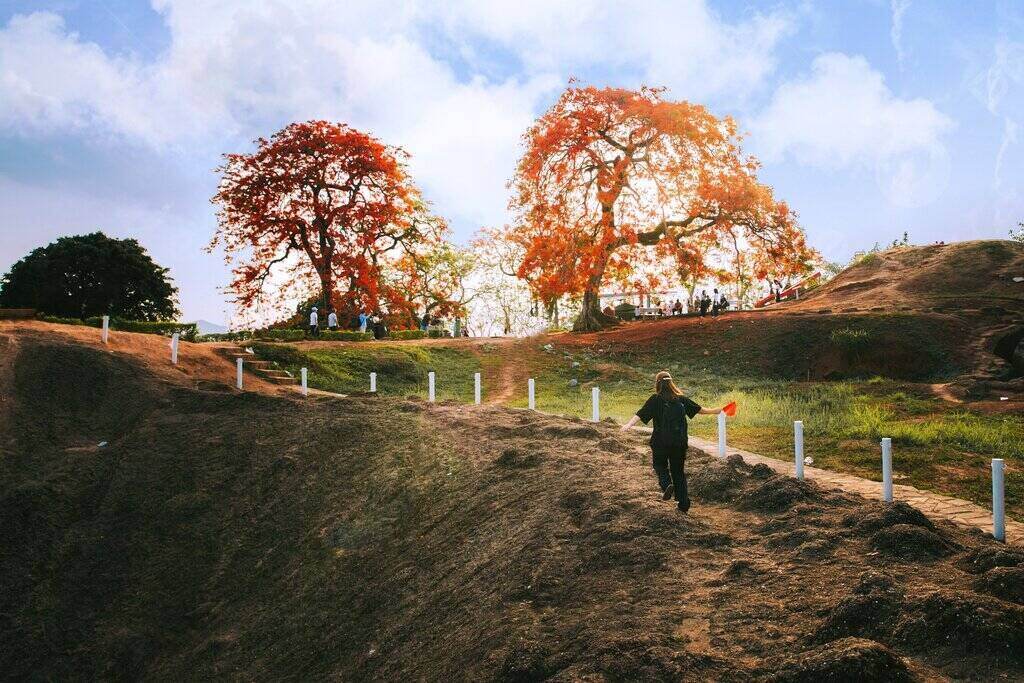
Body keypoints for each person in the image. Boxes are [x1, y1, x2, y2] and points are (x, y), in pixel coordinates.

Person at [620, 372, 726, 512]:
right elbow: (700, 410)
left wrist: (628, 425)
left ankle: (666, 485)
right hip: (679, 443)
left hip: (660, 442)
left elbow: (641, 413)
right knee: (679, 472)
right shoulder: (681, 400)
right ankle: (683, 504)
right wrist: (719, 410)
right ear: (671, 383)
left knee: (659, 466)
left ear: (657, 383)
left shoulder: (655, 399)